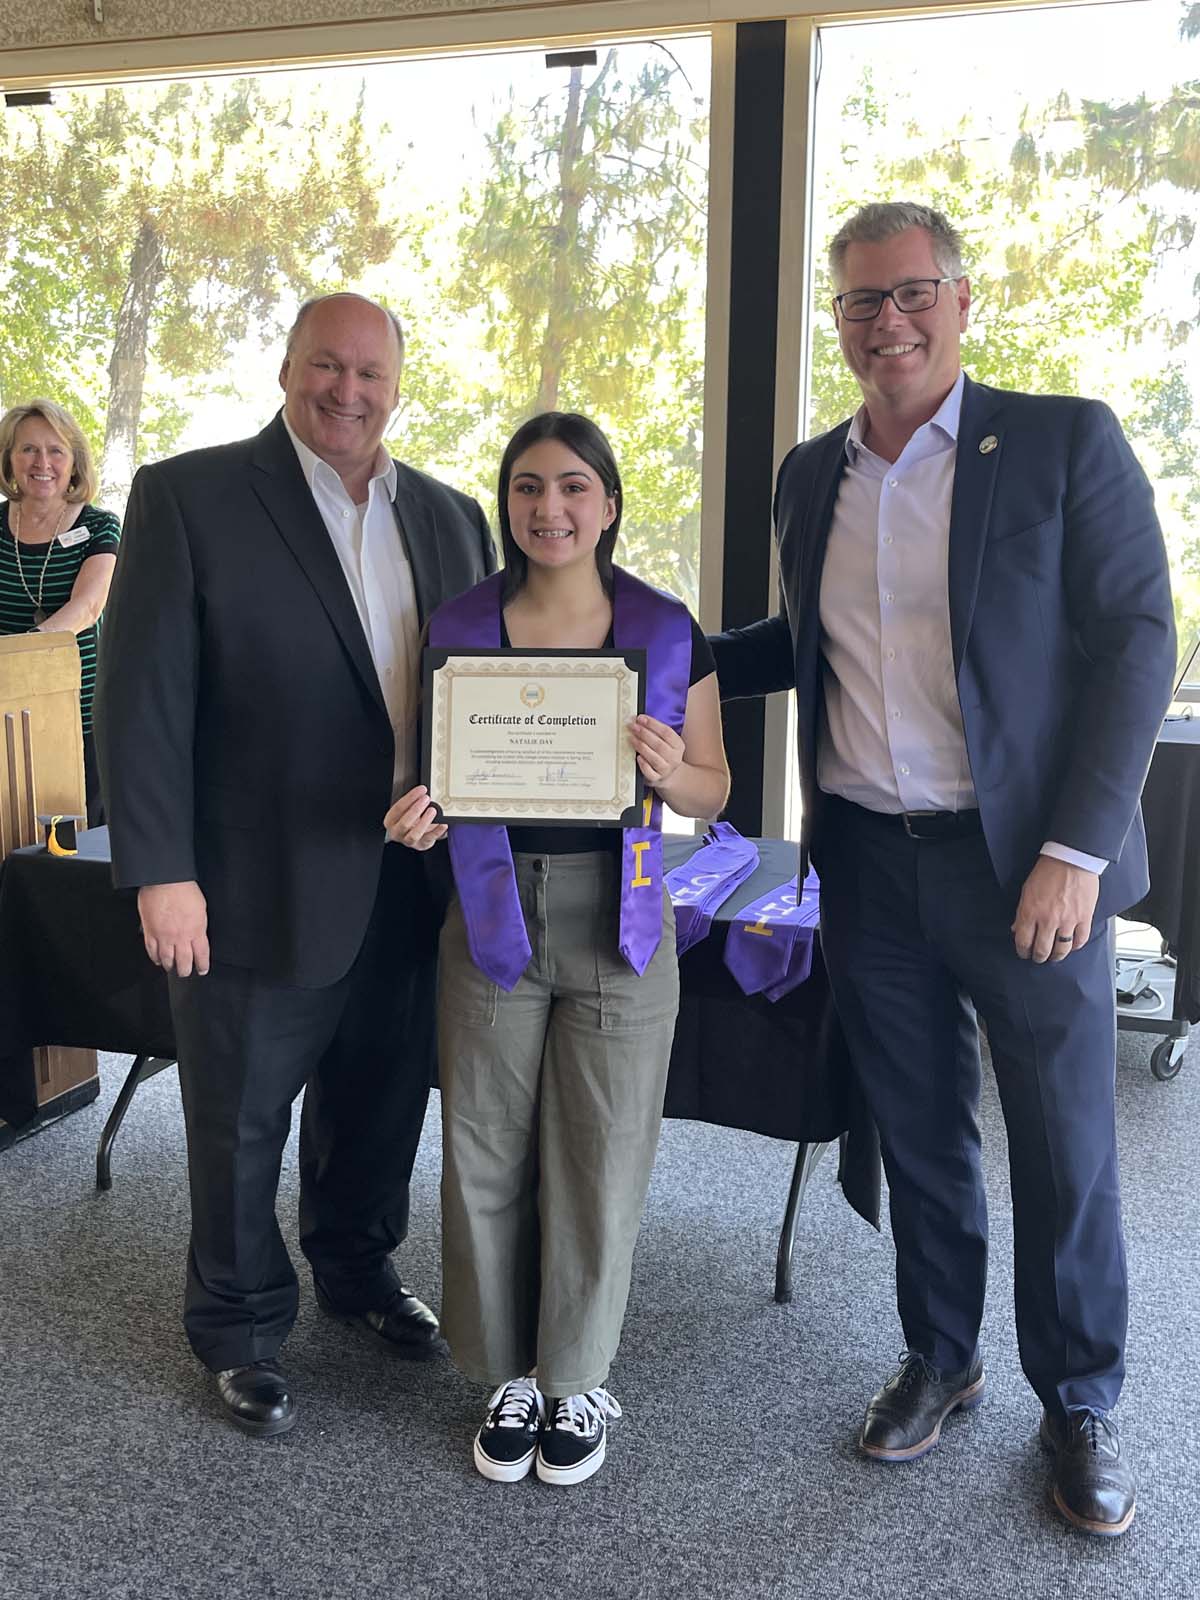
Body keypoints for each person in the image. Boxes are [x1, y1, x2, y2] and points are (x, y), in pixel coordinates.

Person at [710, 203, 1175, 1536]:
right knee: (919, 1130)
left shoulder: (1059, 440)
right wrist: (640, 646)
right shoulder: (814, 475)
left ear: (962, 301)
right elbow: (805, 645)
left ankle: (1079, 1395)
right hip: (867, 861)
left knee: (1065, 1141)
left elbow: (1138, 640)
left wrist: (1076, 851)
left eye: (910, 293)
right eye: (859, 303)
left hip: (1026, 866)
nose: (885, 322)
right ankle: (942, 1354)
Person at [95, 292, 496, 1438]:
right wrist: (158, 869)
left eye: (372, 372)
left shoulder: (450, 514)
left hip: (410, 880)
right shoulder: (189, 496)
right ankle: (238, 1325)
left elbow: (468, 691)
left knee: (380, 1097)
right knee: (240, 1118)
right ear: (285, 368)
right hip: (249, 880)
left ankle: (359, 1271)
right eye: (328, 365)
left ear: (398, 385)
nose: (349, 391)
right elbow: (143, 700)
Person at [386, 411, 728, 1486]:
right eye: (529, 488)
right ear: (507, 504)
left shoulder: (670, 631)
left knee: (604, 1147)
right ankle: (506, 1369)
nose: (551, 509)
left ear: (611, 503)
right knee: (484, 1141)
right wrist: (413, 817)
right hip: (488, 909)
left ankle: (576, 1375)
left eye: (575, 487)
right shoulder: (457, 626)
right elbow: (420, 772)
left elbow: (716, 790)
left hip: (620, 916)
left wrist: (673, 774)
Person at [0, 400, 119, 825]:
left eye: (56, 451)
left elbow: (87, 607)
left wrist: (20, 657)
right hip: (3, 711)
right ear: (10, 460)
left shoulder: (102, 526)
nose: (42, 463)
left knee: (71, 843)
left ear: (74, 464)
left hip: (79, 713)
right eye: (28, 449)